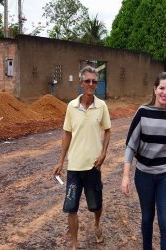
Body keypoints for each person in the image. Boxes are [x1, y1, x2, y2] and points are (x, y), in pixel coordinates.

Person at [121, 72, 166, 250]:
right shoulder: (142, 113)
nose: (165, 92)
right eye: (162, 88)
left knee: (165, 222)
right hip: (144, 176)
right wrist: (125, 176)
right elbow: (131, 146)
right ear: (155, 89)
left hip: (165, 175)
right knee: (147, 218)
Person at [53, 65, 111, 250]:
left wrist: (103, 154)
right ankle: (75, 245)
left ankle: (96, 224)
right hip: (74, 168)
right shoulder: (71, 106)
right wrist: (61, 160)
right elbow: (67, 133)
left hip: (93, 166)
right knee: (71, 207)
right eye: (87, 81)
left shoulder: (101, 106)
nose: (91, 84)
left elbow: (108, 131)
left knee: (96, 205)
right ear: (81, 83)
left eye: (94, 81)